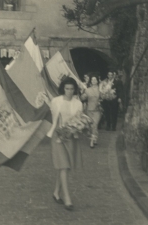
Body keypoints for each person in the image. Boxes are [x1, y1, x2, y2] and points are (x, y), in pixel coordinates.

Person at [46, 77, 83, 211]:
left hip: (71, 136)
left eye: (72, 89)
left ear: (75, 90)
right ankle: (67, 198)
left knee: (65, 167)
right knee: (64, 166)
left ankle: (56, 192)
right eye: (67, 88)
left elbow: (79, 121)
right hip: (58, 136)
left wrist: (76, 129)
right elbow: (52, 118)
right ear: (63, 89)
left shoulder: (78, 103)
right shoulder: (56, 101)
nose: (69, 91)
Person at [81, 75, 102, 148]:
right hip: (89, 109)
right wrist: (82, 95)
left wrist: (101, 101)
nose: (93, 81)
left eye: (95, 79)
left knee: (95, 124)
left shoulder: (101, 89)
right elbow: (83, 98)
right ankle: (95, 137)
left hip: (98, 110)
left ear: (97, 81)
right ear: (91, 81)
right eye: (92, 80)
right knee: (91, 125)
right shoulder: (87, 90)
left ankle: (92, 142)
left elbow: (103, 97)